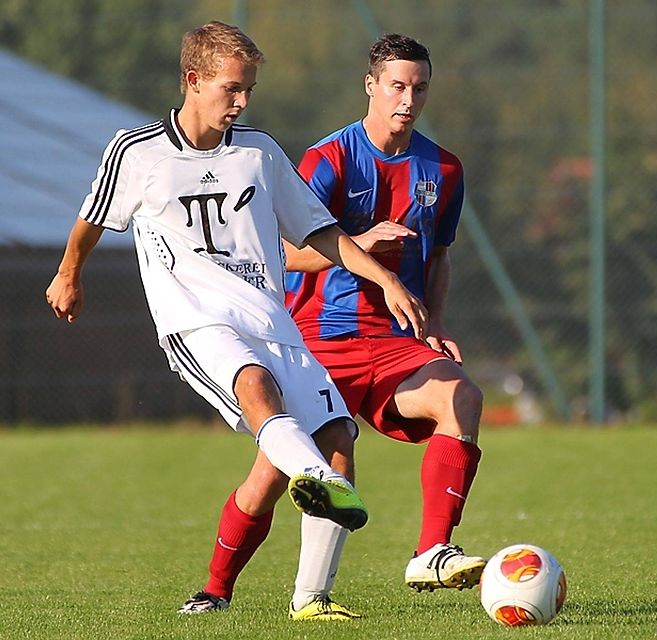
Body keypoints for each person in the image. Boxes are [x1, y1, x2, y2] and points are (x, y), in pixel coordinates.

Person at [44, 20, 427, 619]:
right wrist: (69, 273)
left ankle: (311, 600)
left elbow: (321, 232)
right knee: (256, 387)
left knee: (339, 442)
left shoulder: (259, 151)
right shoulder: (136, 151)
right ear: (194, 82)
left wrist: (387, 279)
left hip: (273, 321)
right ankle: (308, 477)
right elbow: (92, 218)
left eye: (249, 89)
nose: (243, 101)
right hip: (195, 323)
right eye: (232, 88)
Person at [182, 33, 485, 621]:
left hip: (396, 343)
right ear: (370, 86)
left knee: (461, 396)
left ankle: (431, 551)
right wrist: (356, 248)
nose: (408, 99)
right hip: (317, 339)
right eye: (396, 85)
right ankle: (216, 589)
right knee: (274, 475)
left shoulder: (443, 168)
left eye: (419, 88)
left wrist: (436, 324)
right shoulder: (330, 160)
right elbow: (280, 249)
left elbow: (440, 254)